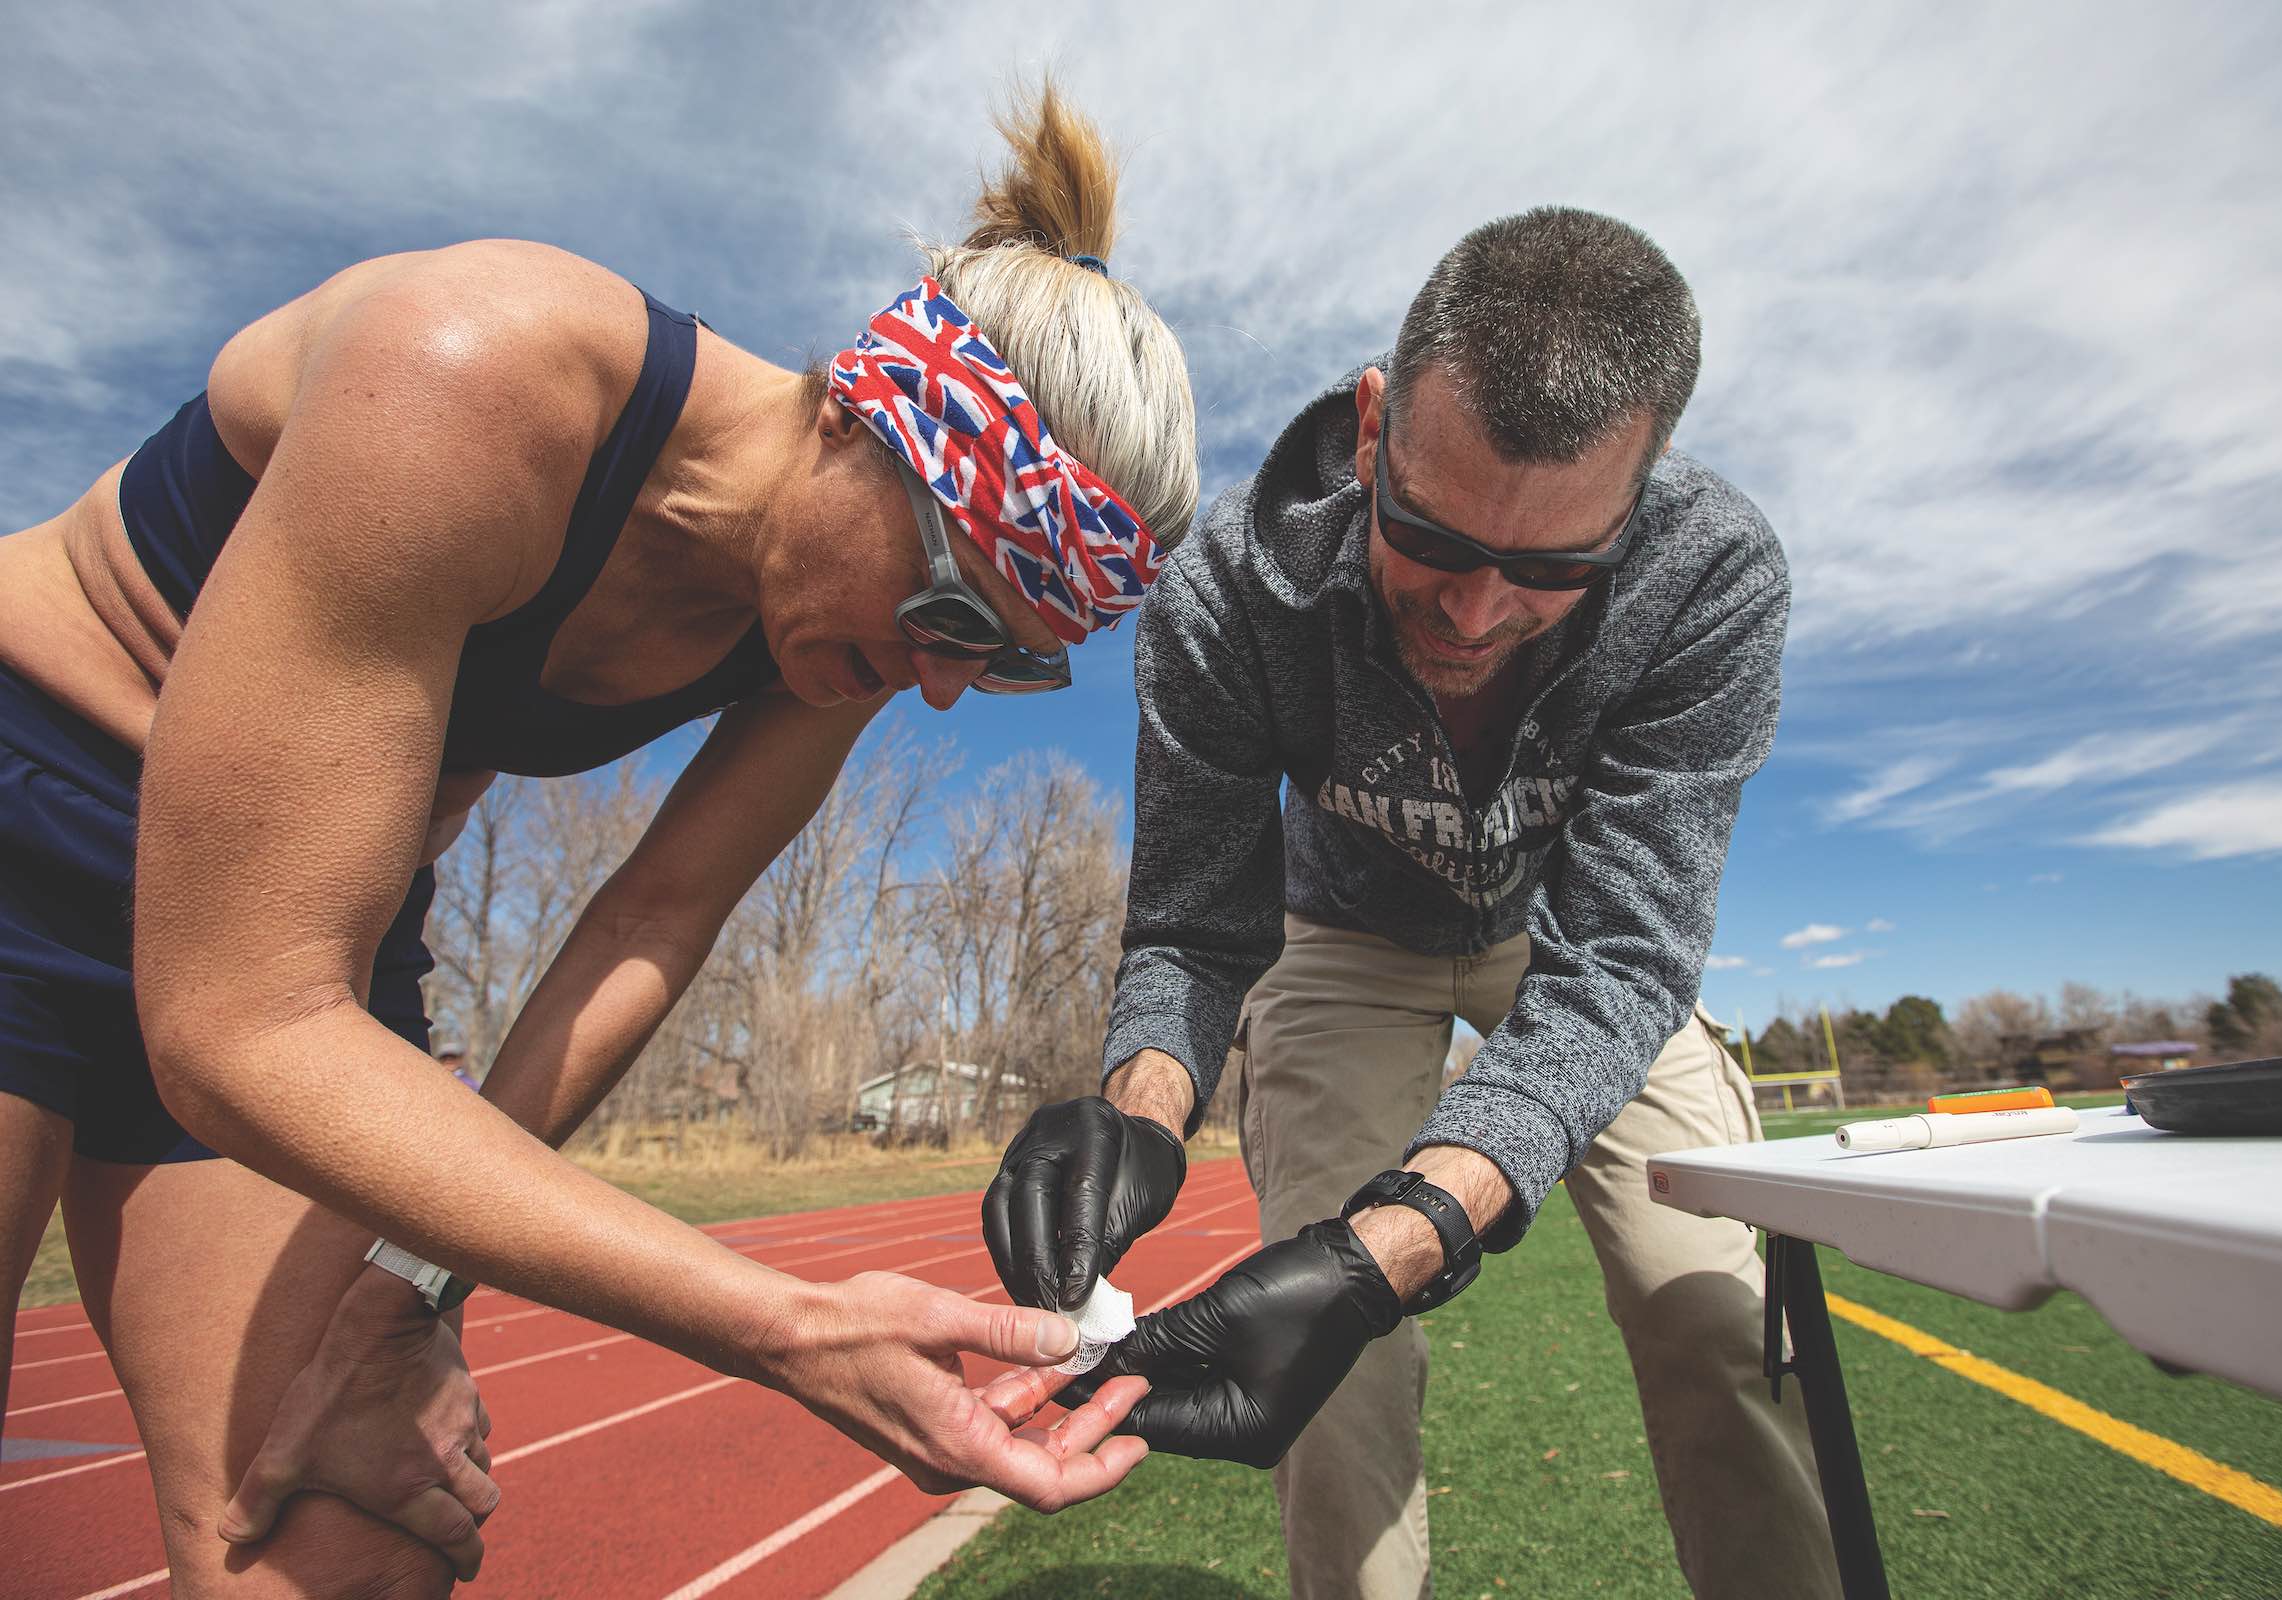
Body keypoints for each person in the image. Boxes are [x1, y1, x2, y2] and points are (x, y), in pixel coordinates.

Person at [0, 85, 1190, 1596]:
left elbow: (648, 926)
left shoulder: (846, 633)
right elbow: (233, 1019)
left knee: (344, 1534)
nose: (943, 683)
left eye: (1007, 658)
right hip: (40, 798)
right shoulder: (478, 369)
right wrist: (785, 1325)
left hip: (317, 931)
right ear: (857, 418)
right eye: (955, 611)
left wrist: (408, 1294)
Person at [985, 208, 1841, 1598]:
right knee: (1331, 1372)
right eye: (1434, 536)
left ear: (1644, 490)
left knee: (1711, 1312)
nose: (1480, 609)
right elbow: (1200, 926)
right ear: (1375, 430)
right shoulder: (1223, 595)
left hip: (1569, 957)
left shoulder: (1714, 579)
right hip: (1342, 948)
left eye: (1557, 567)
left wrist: (1407, 1235)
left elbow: (1625, 958)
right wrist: (1141, 1108)